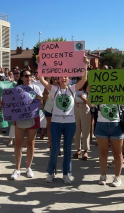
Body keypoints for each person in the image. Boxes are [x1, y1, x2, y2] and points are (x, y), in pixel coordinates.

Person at [38, 56, 89, 184]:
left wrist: (85, 65)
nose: (64, 78)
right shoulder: (54, 90)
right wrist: (40, 65)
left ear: (69, 79)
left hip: (70, 124)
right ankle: (50, 173)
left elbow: (84, 79)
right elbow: (41, 79)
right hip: (55, 123)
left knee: (67, 150)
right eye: (61, 76)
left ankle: (66, 174)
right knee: (55, 149)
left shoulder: (72, 89)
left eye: (66, 76)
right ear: (58, 79)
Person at [10, 70, 43, 180]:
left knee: (31, 143)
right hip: (19, 118)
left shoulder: (36, 88)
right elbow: (11, 104)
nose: (28, 77)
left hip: (33, 118)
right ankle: (17, 169)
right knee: (18, 143)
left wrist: (40, 99)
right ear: (22, 77)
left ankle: (28, 167)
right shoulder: (17, 89)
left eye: (30, 75)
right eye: (26, 76)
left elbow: (41, 106)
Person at [94, 104, 124, 187]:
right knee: (103, 152)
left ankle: (117, 177)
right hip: (101, 125)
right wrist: (90, 93)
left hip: (116, 125)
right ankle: (103, 176)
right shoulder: (99, 92)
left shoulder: (119, 91)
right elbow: (90, 104)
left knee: (117, 153)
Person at [73, 82, 91, 160]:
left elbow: (89, 102)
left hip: (85, 109)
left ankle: (86, 151)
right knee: (77, 131)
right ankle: (78, 150)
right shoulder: (74, 90)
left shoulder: (87, 91)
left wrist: (82, 97)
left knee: (85, 131)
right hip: (76, 109)